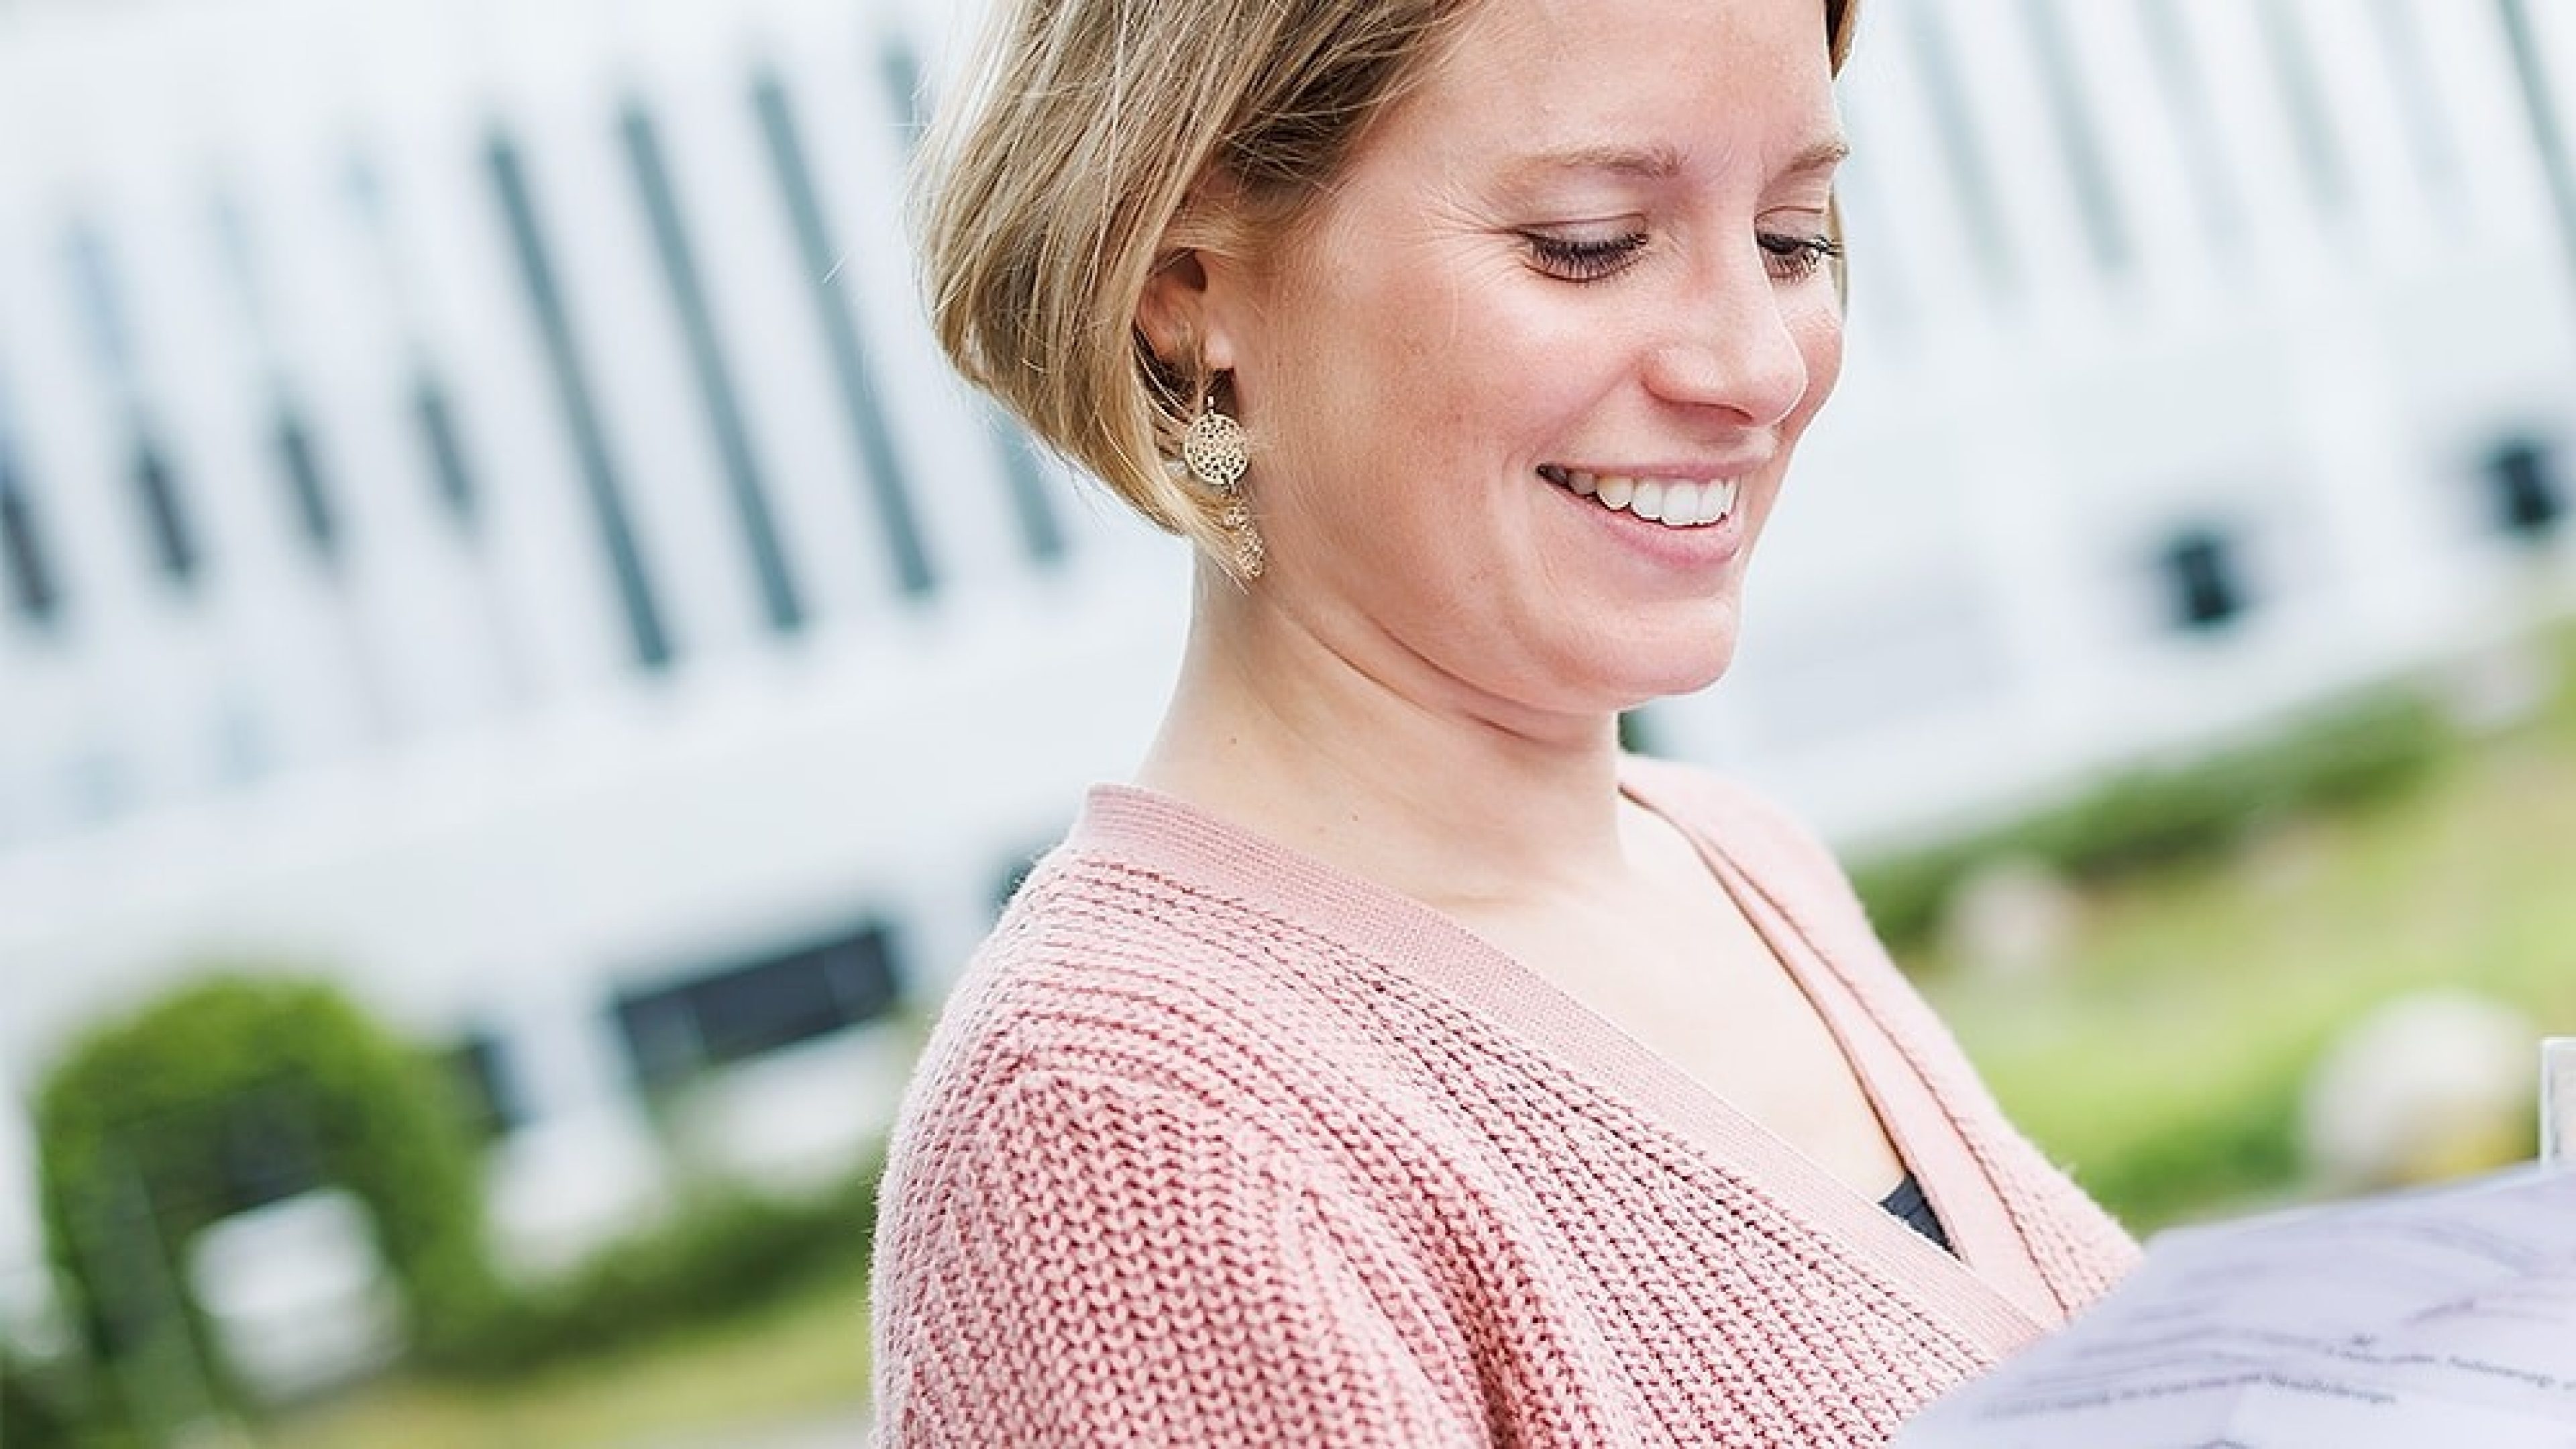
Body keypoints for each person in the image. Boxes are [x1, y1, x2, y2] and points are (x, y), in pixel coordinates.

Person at [872, 0, 2141, 1442]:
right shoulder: (1124, 1129)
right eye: (1591, 242)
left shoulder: (1733, 861)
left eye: (1794, 238)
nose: (1760, 368)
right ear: (1184, 283)